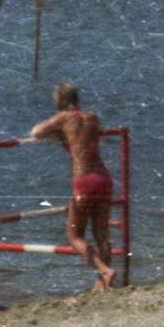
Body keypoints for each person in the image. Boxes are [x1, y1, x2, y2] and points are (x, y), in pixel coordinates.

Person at [30, 83, 116, 291]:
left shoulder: (63, 118)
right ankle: (101, 283)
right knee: (101, 233)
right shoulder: (93, 117)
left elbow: (36, 133)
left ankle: (104, 270)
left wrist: (58, 132)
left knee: (74, 236)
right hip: (104, 178)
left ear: (59, 102)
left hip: (85, 182)